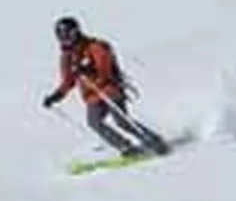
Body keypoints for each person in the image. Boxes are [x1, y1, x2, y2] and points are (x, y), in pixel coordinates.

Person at [43, 15, 167, 157]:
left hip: (109, 89)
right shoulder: (66, 57)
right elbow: (68, 81)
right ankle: (125, 147)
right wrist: (56, 96)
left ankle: (153, 140)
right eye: (61, 36)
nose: (65, 39)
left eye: (68, 34)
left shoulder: (95, 46)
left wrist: (87, 69)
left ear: (76, 32)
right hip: (91, 95)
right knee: (94, 122)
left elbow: (105, 71)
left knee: (122, 121)